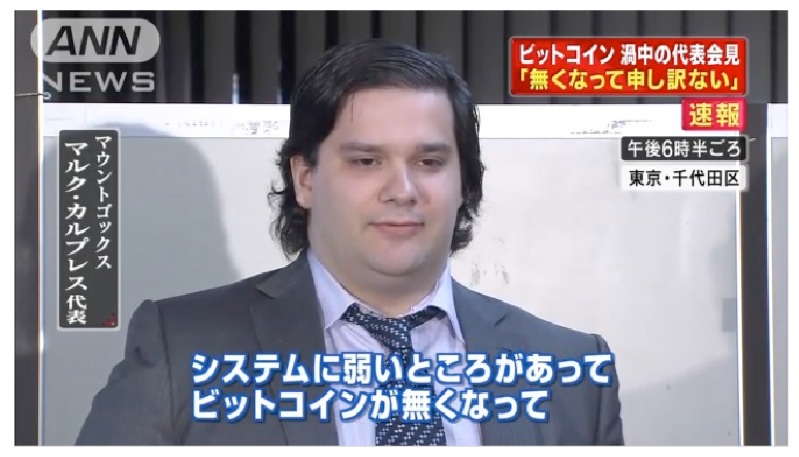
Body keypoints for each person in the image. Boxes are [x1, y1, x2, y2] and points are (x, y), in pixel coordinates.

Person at [76, 38, 624, 446]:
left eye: (429, 162)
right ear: (305, 179)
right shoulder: (183, 349)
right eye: (366, 161)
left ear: (464, 182)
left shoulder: (570, 369)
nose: (402, 190)